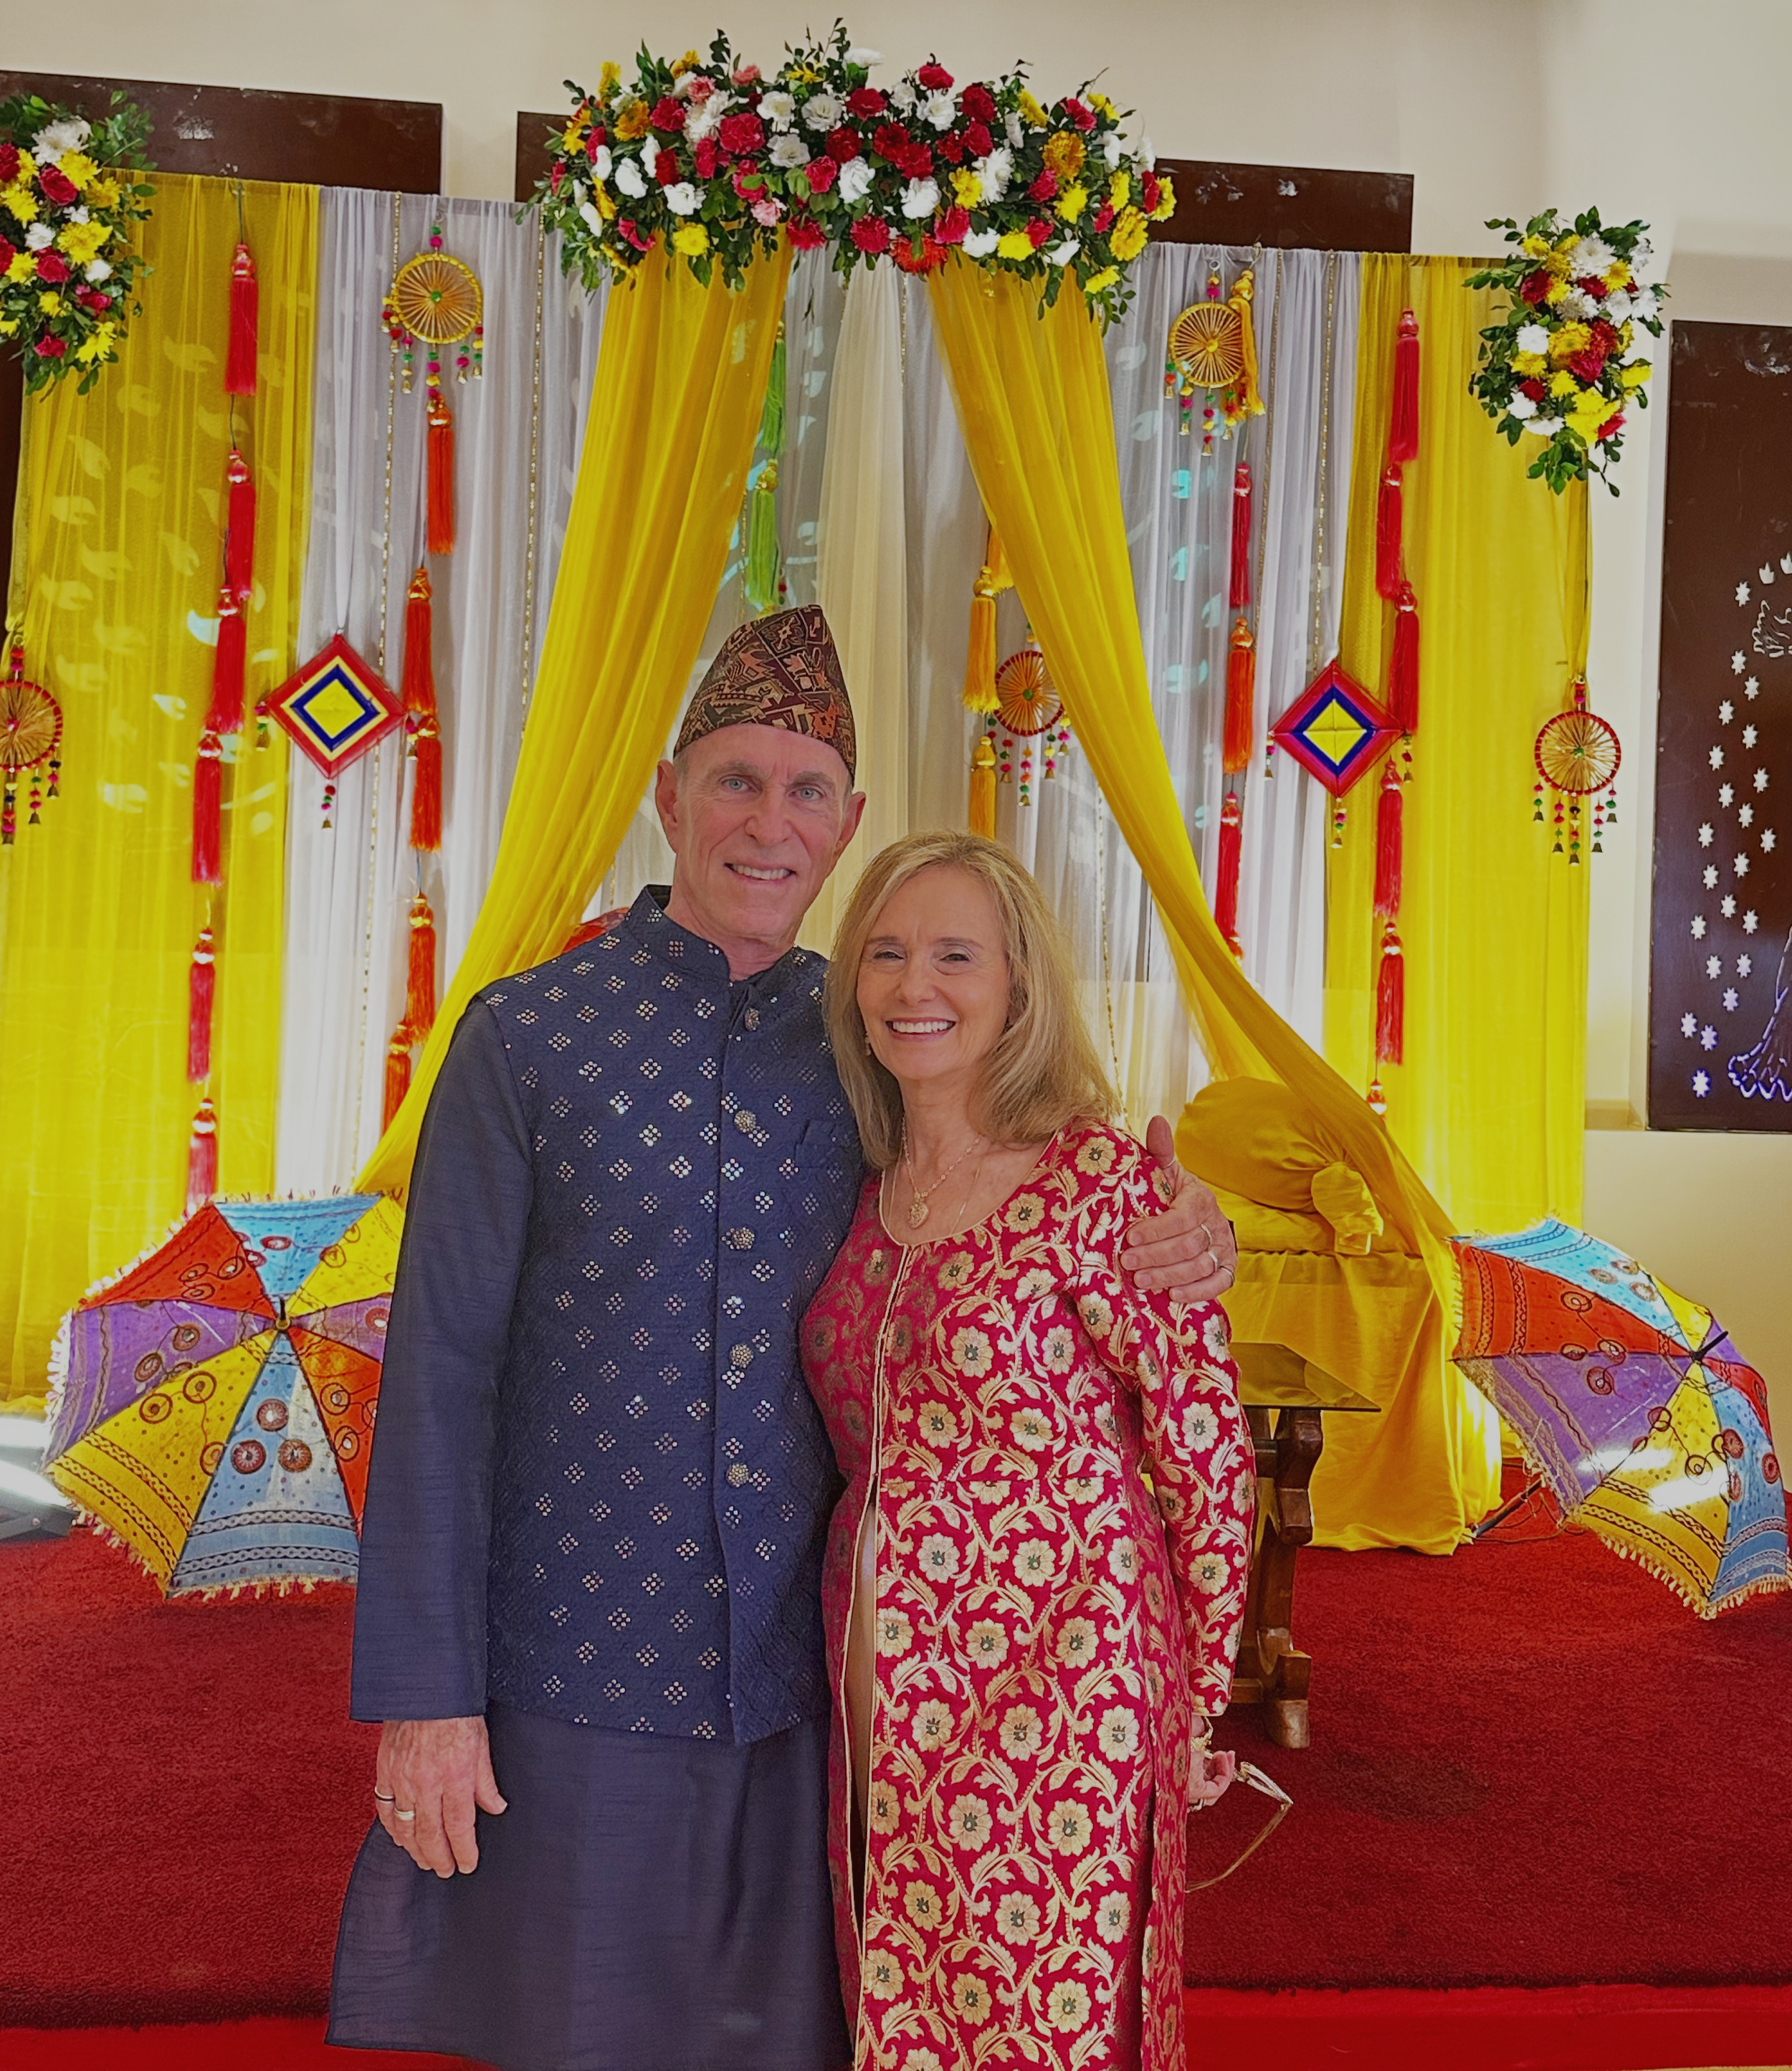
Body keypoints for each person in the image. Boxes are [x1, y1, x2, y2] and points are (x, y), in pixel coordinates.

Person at [329, 606, 1239, 2071]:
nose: (769, 820)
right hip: (573, 1661)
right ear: (665, 796)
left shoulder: (868, 1040)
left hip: (812, 1686)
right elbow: (436, 1379)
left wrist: (1193, 1233)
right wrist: (425, 1698)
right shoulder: (527, 1038)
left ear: (849, 821)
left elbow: (1019, 1179)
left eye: (806, 788)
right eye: (735, 780)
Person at [801, 830, 1253, 2071]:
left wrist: (1204, 1697)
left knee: (1050, 2013)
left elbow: (1205, 1451)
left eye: (955, 956)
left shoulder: (1101, 1180)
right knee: (901, 1995)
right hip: (883, 1670)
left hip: (1070, 1672)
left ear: (1018, 988)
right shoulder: (848, 1174)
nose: (913, 988)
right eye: (885, 954)